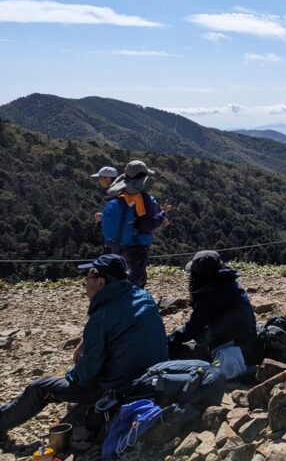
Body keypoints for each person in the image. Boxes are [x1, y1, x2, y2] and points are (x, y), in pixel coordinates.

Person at [0, 254, 168, 433]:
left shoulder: (100, 318)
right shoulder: (144, 297)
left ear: (101, 283)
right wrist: (86, 341)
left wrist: (71, 373)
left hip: (121, 388)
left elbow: (85, 375)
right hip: (154, 376)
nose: (84, 284)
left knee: (39, 387)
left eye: (87, 278)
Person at [168, 251, 257, 369]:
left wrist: (168, 340)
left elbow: (192, 328)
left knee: (171, 351)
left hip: (231, 352)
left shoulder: (210, 294)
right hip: (247, 341)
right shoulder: (227, 281)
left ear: (199, 277)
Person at [100, 160, 171, 288]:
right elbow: (147, 225)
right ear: (143, 178)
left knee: (117, 277)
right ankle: (132, 304)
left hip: (115, 244)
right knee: (135, 282)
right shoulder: (141, 198)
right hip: (135, 246)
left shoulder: (117, 191)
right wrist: (162, 214)